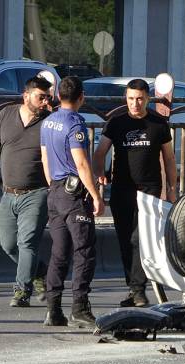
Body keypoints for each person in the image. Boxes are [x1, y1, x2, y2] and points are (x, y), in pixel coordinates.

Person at [92, 78, 177, 308]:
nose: (135, 104)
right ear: (126, 99)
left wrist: (171, 189)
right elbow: (100, 151)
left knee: (141, 239)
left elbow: (169, 159)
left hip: (149, 188)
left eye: (139, 99)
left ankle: (139, 290)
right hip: (122, 188)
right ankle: (133, 287)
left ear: (147, 99)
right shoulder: (116, 122)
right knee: (125, 240)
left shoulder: (158, 123)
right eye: (130, 99)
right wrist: (99, 172)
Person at [0, 76, 52, 307]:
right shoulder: (6, 115)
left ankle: (22, 291)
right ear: (26, 95)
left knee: (27, 243)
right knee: (9, 245)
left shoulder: (48, 122)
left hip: (37, 193)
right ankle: (39, 270)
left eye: (48, 97)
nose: (45, 102)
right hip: (8, 194)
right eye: (41, 97)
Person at [40, 76, 105, 327]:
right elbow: (81, 163)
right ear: (82, 98)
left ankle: (53, 309)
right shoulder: (75, 124)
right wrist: (96, 195)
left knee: (59, 252)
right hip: (73, 193)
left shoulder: (48, 122)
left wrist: (53, 187)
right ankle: (79, 306)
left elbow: (45, 158)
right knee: (84, 250)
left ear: (57, 96)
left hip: (54, 192)